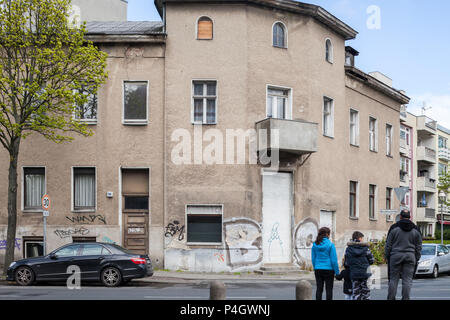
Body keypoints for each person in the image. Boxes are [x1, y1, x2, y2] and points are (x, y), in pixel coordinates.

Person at [385, 209, 422, 300]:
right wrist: (417, 257)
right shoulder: (416, 229)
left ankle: (391, 298)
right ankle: (405, 298)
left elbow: (388, 244)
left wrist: (387, 256)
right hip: (410, 256)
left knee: (393, 279)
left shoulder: (394, 228)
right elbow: (419, 246)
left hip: (395, 255)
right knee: (407, 280)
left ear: (400, 217)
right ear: (410, 217)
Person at [311, 227, 340, 300]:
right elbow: (334, 260)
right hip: (329, 269)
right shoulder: (330, 244)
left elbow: (313, 259)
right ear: (327, 234)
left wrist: (315, 267)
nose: (329, 235)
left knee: (319, 289)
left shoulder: (315, 245)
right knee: (329, 289)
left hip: (318, 269)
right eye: (329, 234)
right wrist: (337, 272)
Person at [344, 231, 375, 300]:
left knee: (356, 293)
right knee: (366, 293)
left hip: (354, 274)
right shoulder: (366, 249)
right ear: (360, 238)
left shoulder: (348, 249)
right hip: (365, 273)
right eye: (362, 238)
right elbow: (372, 260)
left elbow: (346, 263)